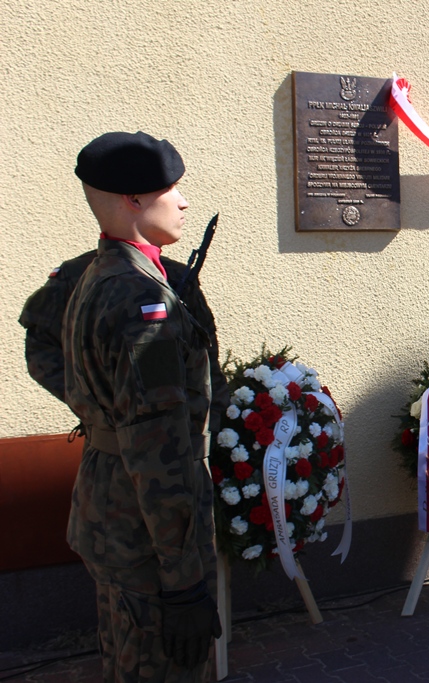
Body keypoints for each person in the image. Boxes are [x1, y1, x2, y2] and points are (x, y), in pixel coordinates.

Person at [62, 131, 221, 681]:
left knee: (125, 662)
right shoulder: (141, 300)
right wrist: (183, 581)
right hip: (147, 532)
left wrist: (102, 416)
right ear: (133, 199)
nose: (183, 202)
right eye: (170, 189)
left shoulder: (101, 274)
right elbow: (158, 450)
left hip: (112, 509)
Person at [19, 241, 229, 433]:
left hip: (177, 432)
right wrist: (97, 403)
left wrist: (215, 421)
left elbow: (207, 356)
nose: (181, 212)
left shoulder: (175, 275)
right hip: (112, 438)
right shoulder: (77, 274)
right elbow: (42, 352)